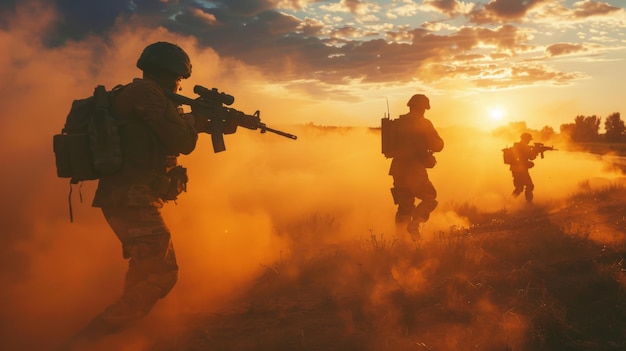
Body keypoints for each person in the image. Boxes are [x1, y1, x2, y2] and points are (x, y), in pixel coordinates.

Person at [59, 41, 234, 349]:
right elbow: (182, 141)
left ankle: (123, 338)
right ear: (172, 74)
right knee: (162, 273)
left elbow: (164, 136)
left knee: (145, 271)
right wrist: (197, 121)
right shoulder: (147, 95)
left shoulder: (143, 94)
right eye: (180, 78)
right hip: (130, 197)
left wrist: (204, 122)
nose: (181, 85)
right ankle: (85, 341)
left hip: (129, 197)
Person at [388, 94, 444, 237]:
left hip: (397, 170)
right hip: (414, 169)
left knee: (404, 207)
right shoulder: (423, 123)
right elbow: (437, 145)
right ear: (423, 108)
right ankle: (414, 225)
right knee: (430, 197)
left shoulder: (397, 123)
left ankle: (401, 240)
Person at [509, 132, 538, 202]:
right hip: (521, 170)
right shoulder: (523, 147)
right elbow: (531, 157)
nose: (529, 141)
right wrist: (535, 151)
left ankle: (508, 203)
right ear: (526, 139)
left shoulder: (517, 146)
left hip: (515, 169)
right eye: (528, 140)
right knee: (529, 186)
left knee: (519, 188)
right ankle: (529, 204)